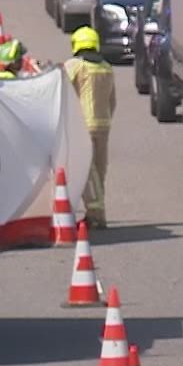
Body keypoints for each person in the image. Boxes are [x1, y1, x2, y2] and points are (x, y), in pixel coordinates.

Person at [63, 27, 117, 229]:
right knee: (99, 169)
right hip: (104, 124)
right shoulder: (106, 67)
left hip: (83, 124)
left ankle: (96, 213)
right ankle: (97, 212)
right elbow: (113, 100)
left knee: (87, 170)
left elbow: (63, 88)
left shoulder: (75, 65)